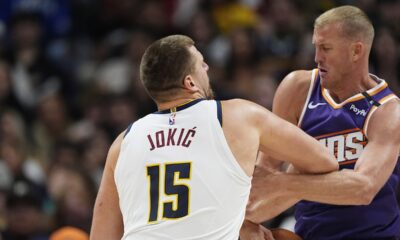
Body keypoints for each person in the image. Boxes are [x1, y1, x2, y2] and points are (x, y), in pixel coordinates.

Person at [89, 35, 338, 240]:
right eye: (201, 64)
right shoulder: (238, 116)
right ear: (190, 82)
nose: (207, 68)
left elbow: (102, 235)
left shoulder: (123, 143)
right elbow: (324, 160)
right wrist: (278, 184)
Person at [241, 5, 400, 240]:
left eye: (326, 48)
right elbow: (265, 175)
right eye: (316, 47)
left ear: (356, 51)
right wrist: (246, 220)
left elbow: (363, 188)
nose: (316, 57)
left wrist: (286, 183)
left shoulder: (388, 111)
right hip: (309, 233)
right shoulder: (297, 88)